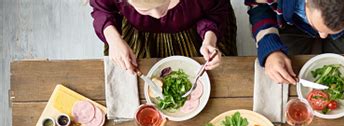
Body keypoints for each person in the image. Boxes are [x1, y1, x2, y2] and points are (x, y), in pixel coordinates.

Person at [245, 0, 344, 88]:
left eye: (330, 31)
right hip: (288, 24)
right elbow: (258, 5)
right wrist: (269, 48)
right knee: (281, 79)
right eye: (318, 27)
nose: (322, 36)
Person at [90, 0, 237, 73]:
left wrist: (209, 39)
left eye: (165, 3)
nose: (158, 15)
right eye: (145, 9)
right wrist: (114, 40)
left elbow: (215, 12)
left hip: (195, 34)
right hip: (140, 36)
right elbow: (102, 10)